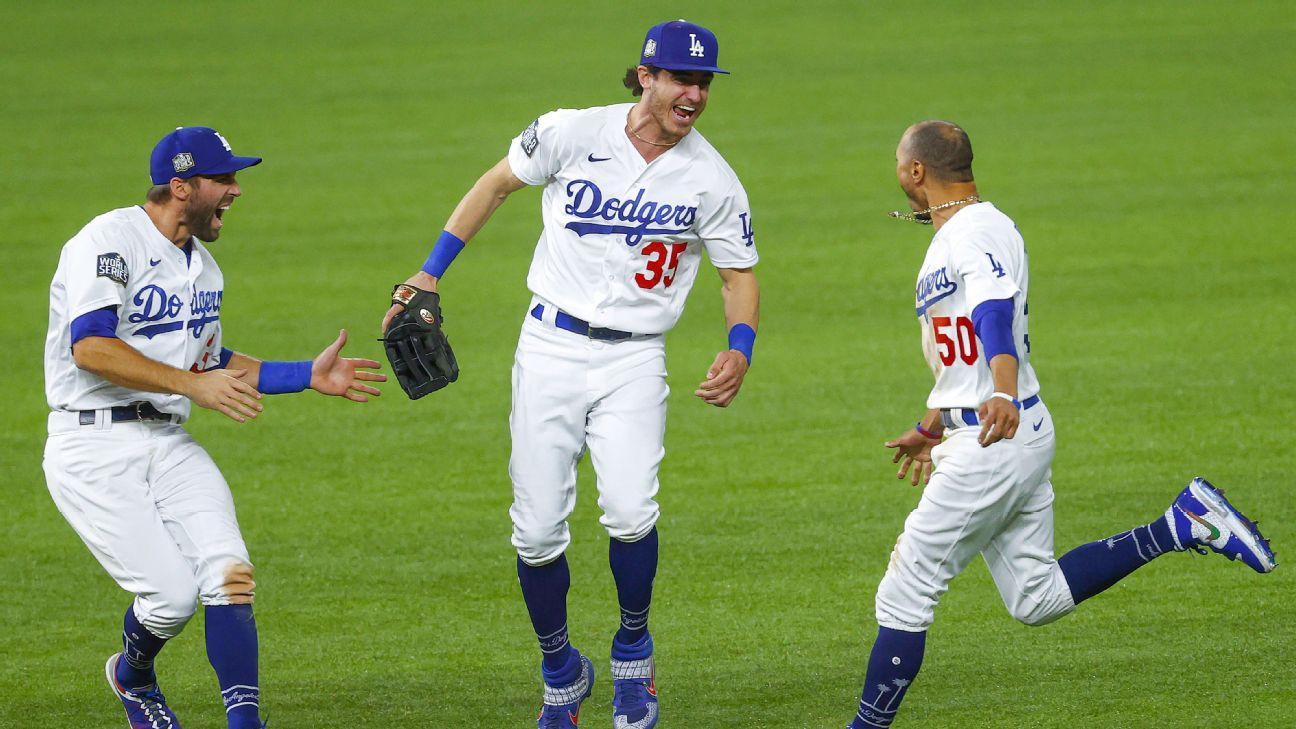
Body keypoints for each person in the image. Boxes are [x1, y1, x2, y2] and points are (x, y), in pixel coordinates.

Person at [382, 19, 759, 729]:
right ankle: (561, 669)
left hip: (635, 357)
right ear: (645, 76)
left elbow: (739, 274)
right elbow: (495, 185)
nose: (695, 94)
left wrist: (740, 345)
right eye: (682, 78)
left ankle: (632, 651)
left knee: (629, 511)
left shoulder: (713, 178)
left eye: (704, 82)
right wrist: (429, 270)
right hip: (549, 346)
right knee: (535, 532)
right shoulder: (571, 132)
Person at [845, 120, 1277, 729]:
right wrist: (933, 421)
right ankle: (1180, 525)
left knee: (905, 591)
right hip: (1005, 430)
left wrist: (1000, 390)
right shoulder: (973, 229)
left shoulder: (972, 234)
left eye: (898, 160)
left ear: (915, 171)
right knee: (1035, 597)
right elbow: (965, 345)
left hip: (994, 438)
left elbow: (995, 315)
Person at [43, 126, 386, 729]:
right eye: (223, 180)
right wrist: (192, 386)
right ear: (181, 187)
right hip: (90, 445)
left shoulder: (203, 268)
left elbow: (209, 365)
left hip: (167, 440)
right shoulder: (108, 242)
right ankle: (133, 675)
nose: (235, 191)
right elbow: (91, 349)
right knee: (170, 599)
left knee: (230, 574)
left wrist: (304, 374)